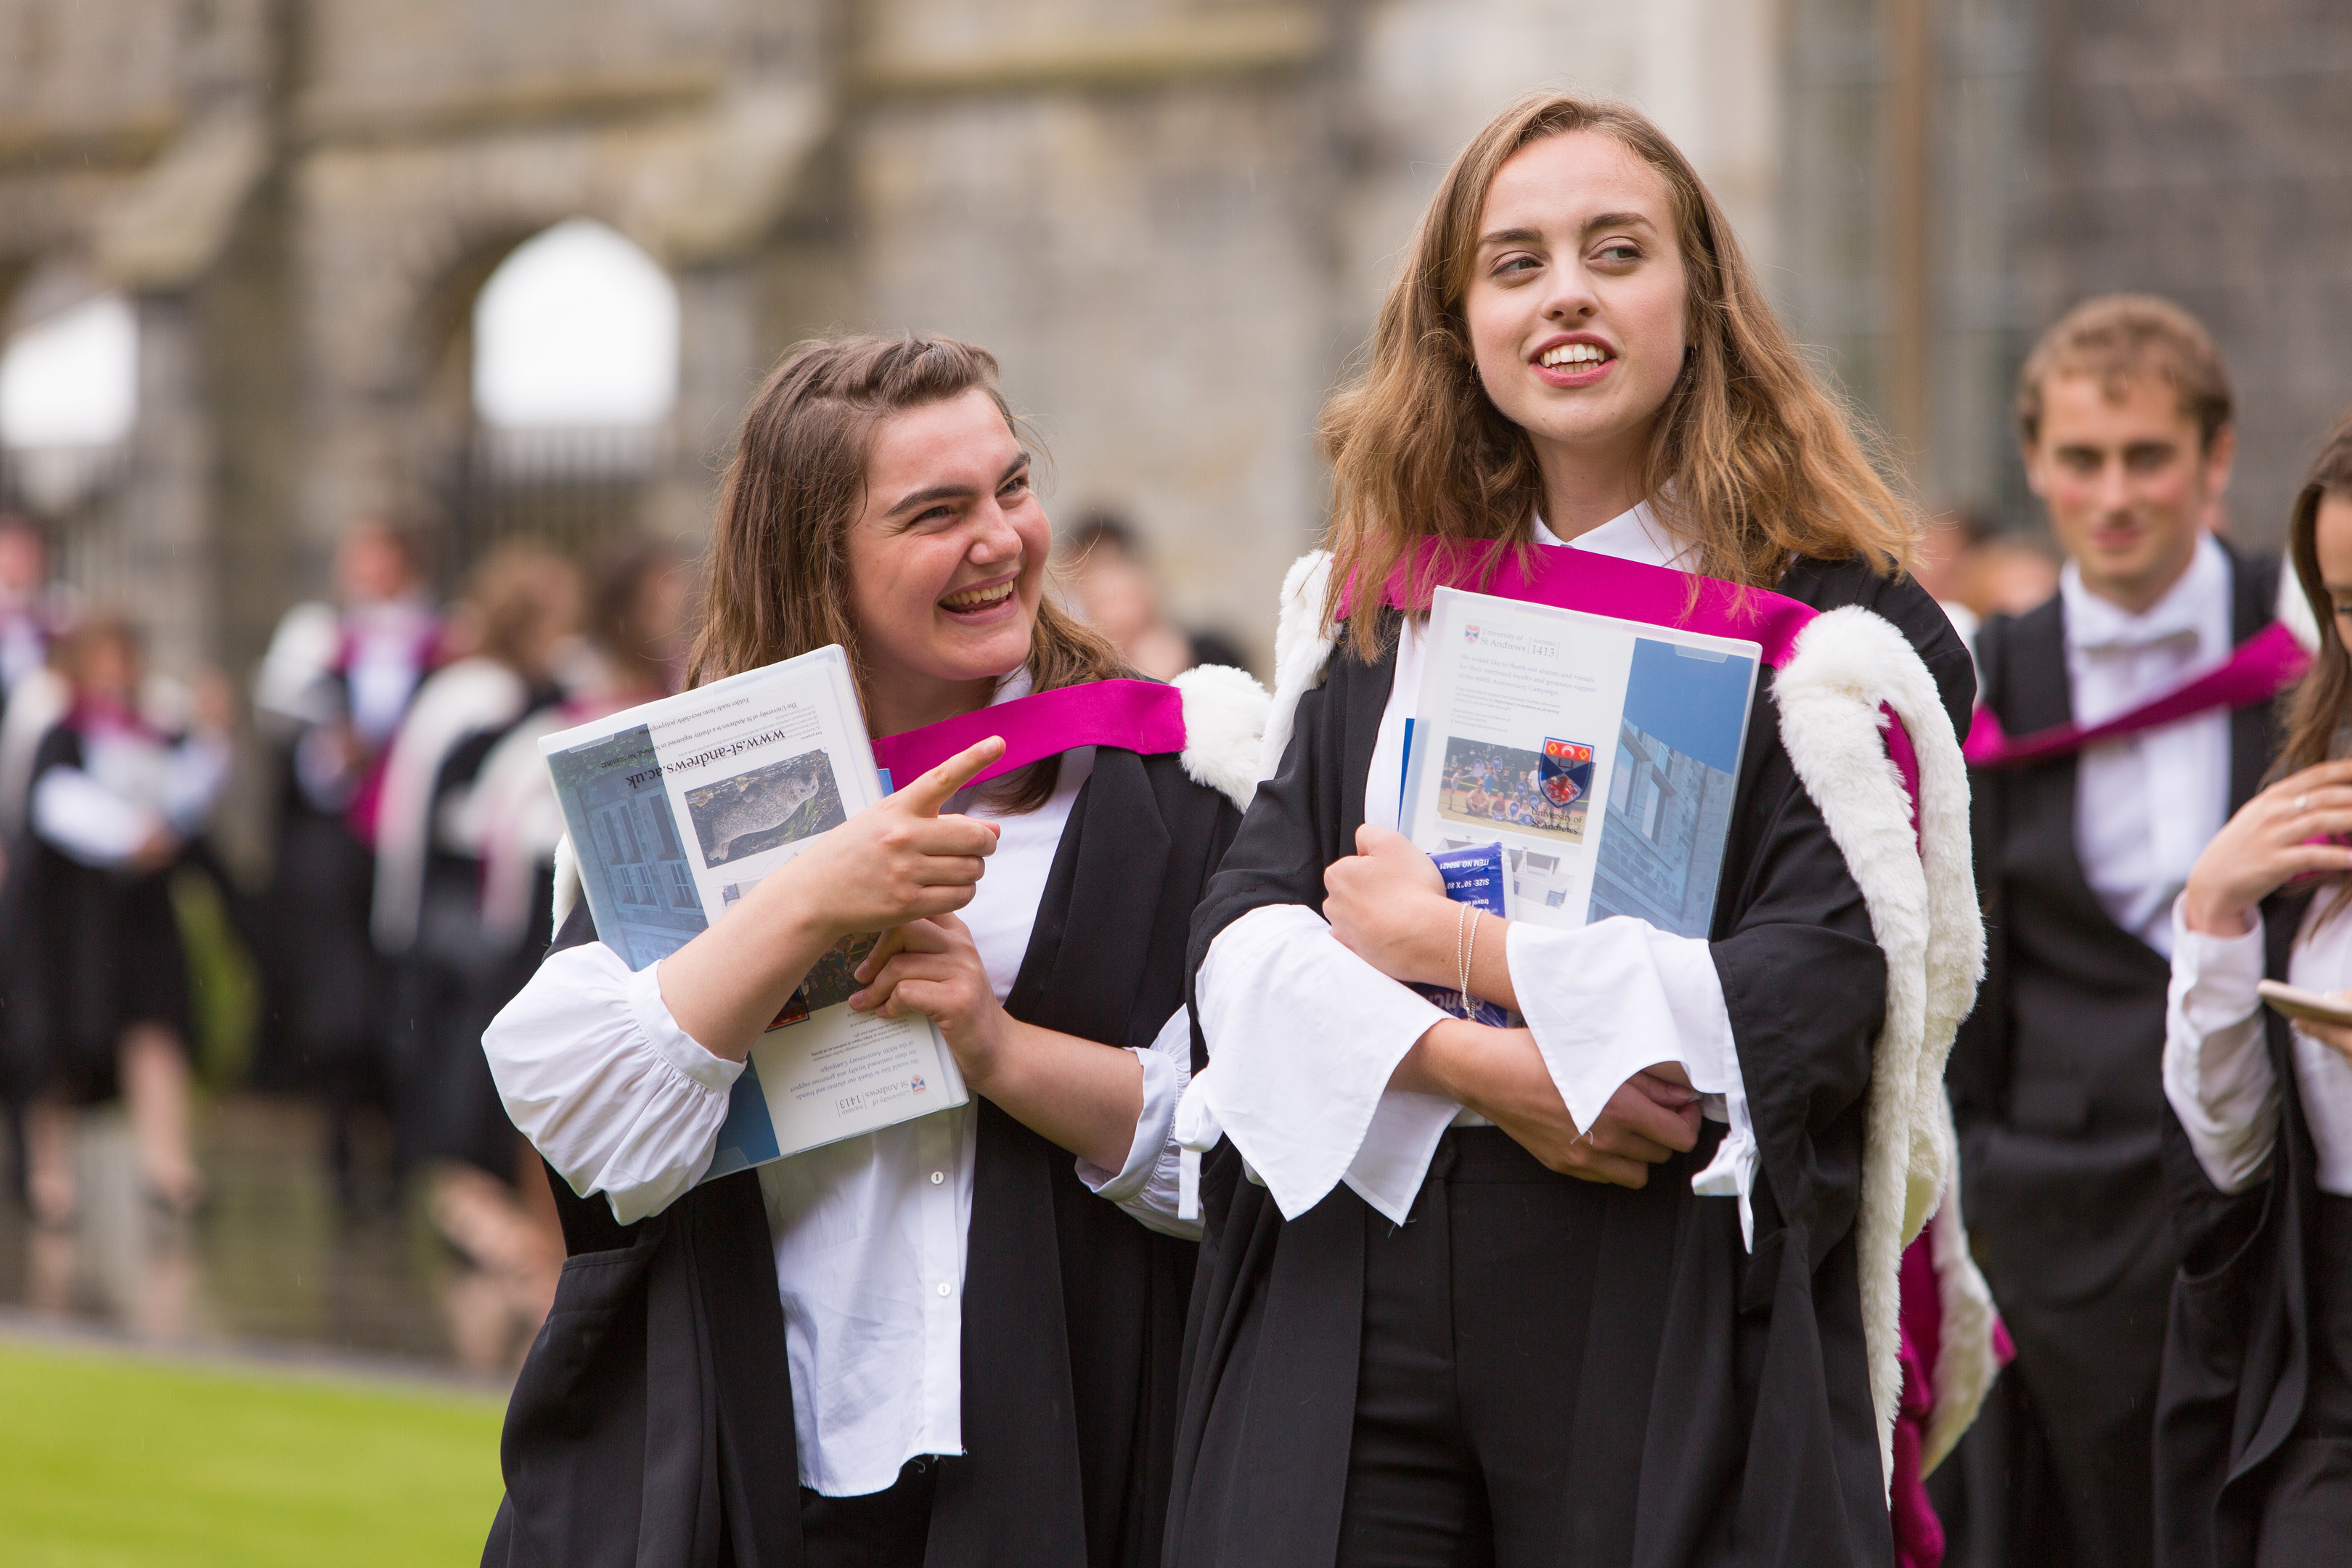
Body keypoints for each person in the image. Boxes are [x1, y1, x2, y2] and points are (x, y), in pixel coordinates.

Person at [1164, 91, 1990, 1567]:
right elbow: (1239, 943)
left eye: (1617, 252)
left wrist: (1454, 945)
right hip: (1365, 1283)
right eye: (1517, 262)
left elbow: (1813, 987)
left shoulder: (1837, 634)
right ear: (1459, 321)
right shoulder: (1383, 609)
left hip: (1660, 1296)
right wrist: (1491, 1062)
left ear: (1702, 300)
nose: (1567, 297)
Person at [478, 335, 1266, 1567]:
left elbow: (1258, 1158)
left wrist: (1000, 1049)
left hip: (1089, 1465)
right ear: (817, 561)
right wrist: (804, 906)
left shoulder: (1177, 783)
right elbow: (586, 1130)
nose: (999, 540)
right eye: (934, 514)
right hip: (771, 1476)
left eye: (1010, 488)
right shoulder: (687, 809)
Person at [1949, 295, 2298, 1568]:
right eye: (2083, 460)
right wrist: (1984, 1179)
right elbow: (1968, 971)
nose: (2115, 495)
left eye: (2149, 456)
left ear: (2215, 457)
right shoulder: (1985, 674)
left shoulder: (2313, 639)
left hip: (2280, 1201)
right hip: (2057, 1220)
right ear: (2034, 463)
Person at [2157, 408, 2352, 1566]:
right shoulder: (2312, 814)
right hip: (2326, 1375)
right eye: (2347, 603)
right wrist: (2216, 917)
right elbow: (2231, 1164)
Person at [367, 540, 581, 1366]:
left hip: (479, 921)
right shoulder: (474, 696)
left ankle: (507, 1245)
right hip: (455, 925)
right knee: (459, 1086)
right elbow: (435, 817)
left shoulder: (529, 692)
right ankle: (492, 1239)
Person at [0, 613, 230, 1225]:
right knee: (54, 1044)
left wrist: (212, 739)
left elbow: (191, 797)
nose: (115, 672)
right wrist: (129, 834)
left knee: (156, 1029)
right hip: (69, 914)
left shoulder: (153, 732)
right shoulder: (59, 728)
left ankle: (169, 1167)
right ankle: (50, 1178)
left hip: (139, 912)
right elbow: (51, 804)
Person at [250, 518, 442, 1210]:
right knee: (338, 1005)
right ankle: (338, 1153)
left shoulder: (439, 641)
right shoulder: (319, 639)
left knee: (394, 1001)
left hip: (400, 847)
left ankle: (394, 1156)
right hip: (333, 849)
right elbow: (284, 727)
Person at [1058, 511, 1251, 678]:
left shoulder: (1212, 658)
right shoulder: (1071, 674)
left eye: (1127, 594)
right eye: (1103, 599)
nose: (1120, 612)